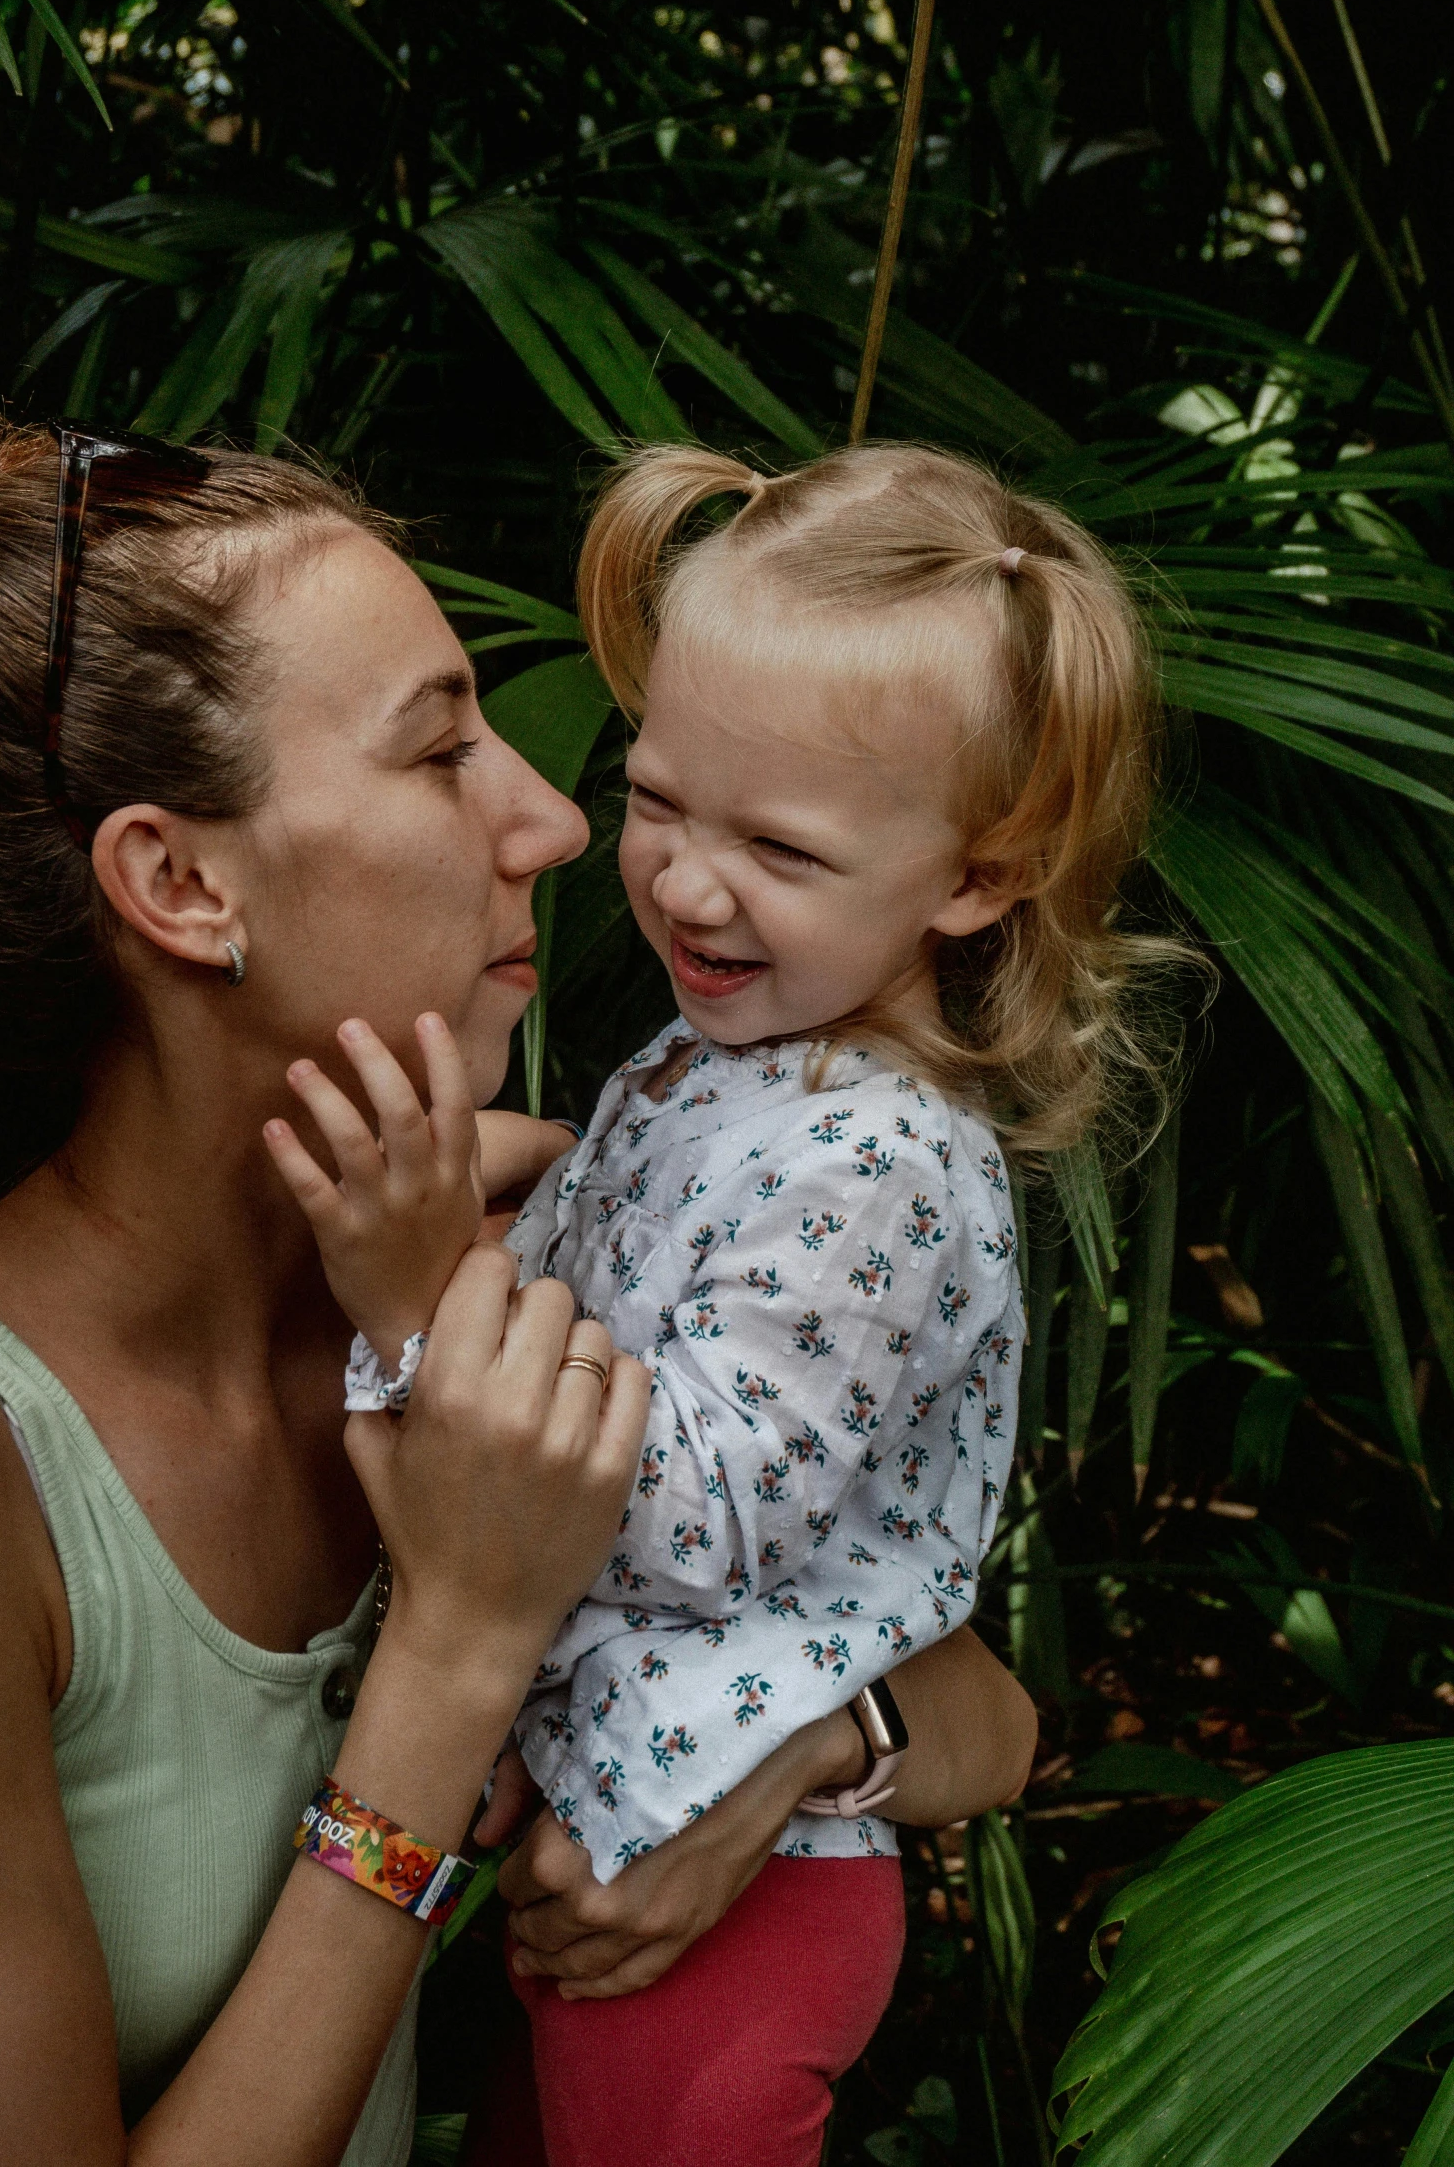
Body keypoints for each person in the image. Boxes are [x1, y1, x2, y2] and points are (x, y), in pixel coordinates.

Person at [0, 417, 1036, 2167]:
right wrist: (458, 1647)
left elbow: (985, 1713)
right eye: (440, 750)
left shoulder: (485, 1250)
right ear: (182, 884)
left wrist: (790, 1755)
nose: (561, 818)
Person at [273, 438, 1158, 2167]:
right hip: (622, 1824)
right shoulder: (733, 1057)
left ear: (976, 876)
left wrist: (412, 1295)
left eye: (777, 842)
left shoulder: (878, 1163)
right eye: (660, 798)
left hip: (729, 1918)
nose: (682, 882)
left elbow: (676, 1519)